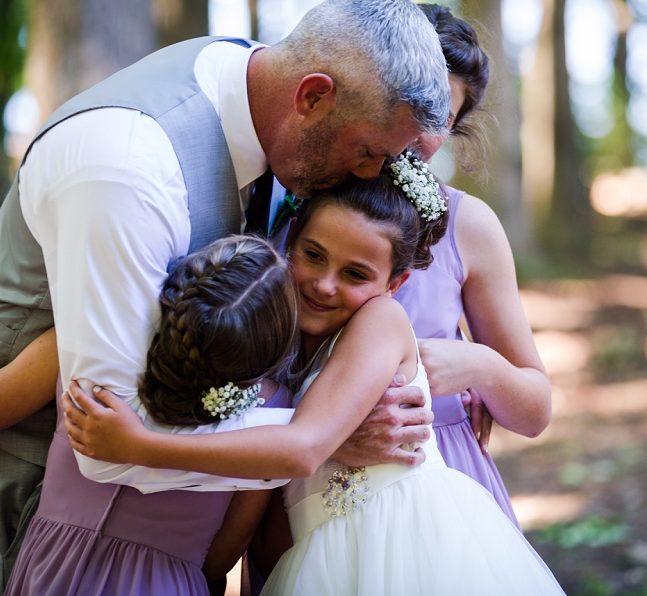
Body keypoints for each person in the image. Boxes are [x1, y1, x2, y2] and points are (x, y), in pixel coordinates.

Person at [0, 0, 450, 596]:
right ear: (312, 96)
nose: (373, 176)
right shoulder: (127, 169)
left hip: (181, 547)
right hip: (47, 508)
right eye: (368, 152)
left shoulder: (260, 106)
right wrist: (325, 435)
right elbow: (111, 443)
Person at [62, 160, 565, 595]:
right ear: (291, 239)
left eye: (355, 274)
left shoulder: (381, 322)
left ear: (395, 283)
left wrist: (140, 447)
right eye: (314, 255)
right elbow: (257, 527)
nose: (324, 285)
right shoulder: (274, 365)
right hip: (319, 558)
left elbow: (302, 449)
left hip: (409, 548)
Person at [0, 237, 299, 595]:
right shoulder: (274, 417)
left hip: (51, 572)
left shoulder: (86, 354)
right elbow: (221, 558)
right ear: (274, 350)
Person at [396, 4, 552, 524]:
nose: (416, 128)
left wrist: (481, 367)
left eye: (438, 116)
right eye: (408, 99)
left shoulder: (469, 225)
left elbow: (533, 411)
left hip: (445, 487)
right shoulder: (287, 202)